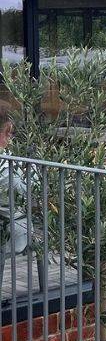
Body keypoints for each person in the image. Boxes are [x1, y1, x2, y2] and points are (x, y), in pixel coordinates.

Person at [0, 104, 31, 257]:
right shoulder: (6, 166)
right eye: (10, 133)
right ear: (6, 132)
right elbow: (29, 193)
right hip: (11, 234)